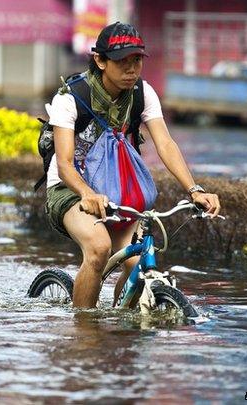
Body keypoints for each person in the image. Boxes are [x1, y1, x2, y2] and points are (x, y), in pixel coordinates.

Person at [46, 21, 221, 309]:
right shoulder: (71, 97)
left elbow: (165, 144)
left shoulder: (143, 93)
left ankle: (119, 323)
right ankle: (84, 335)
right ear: (100, 61)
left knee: (137, 261)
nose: (131, 69)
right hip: (70, 189)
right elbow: (64, 165)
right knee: (99, 248)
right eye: (122, 61)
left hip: (117, 188)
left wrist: (194, 190)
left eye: (137, 60)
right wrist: (87, 194)